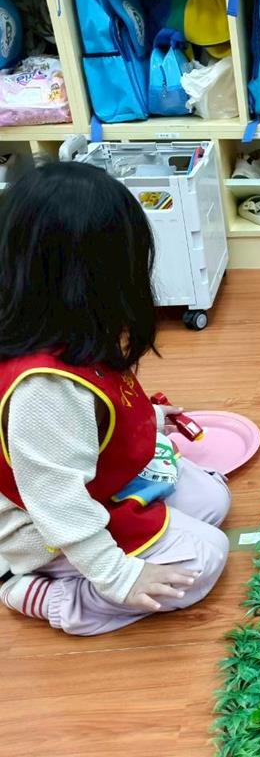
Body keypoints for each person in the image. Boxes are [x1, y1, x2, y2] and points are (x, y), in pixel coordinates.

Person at [0, 161, 230, 635]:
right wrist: (118, 576)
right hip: (47, 529)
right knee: (205, 558)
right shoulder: (44, 387)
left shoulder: (70, 331)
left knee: (213, 500)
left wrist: (149, 419)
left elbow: (95, 413)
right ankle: (44, 594)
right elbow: (57, 501)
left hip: (100, 485)